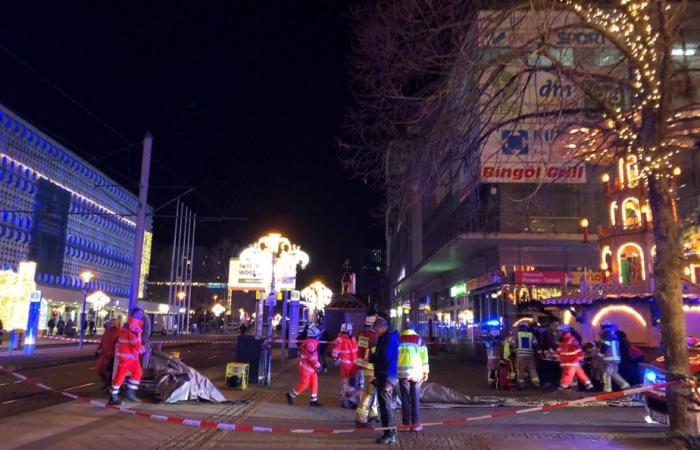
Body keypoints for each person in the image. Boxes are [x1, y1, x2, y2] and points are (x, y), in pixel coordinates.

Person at [371, 316, 399, 445]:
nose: (375, 333)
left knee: (385, 406)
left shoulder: (388, 339)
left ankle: (390, 434)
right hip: (384, 376)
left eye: (376, 330)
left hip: (387, 376)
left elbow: (388, 359)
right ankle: (389, 431)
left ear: (382, 328)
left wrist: (388, 380)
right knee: (384, 405)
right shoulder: (385, 338)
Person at [109, 308, 146, 405]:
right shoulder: (134, 327)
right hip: (128, 356)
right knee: (121, 375)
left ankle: (129, 394)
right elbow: (135, 342)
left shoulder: (128, 325)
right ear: (136, 315)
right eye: (141, 314)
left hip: (129, 356)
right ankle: (113, 396)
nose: (142, 316)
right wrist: (142, 350)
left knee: (137, 372)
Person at [398, 323, 429, 432]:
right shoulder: (419, 340)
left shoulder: (399, 339)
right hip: (416, 373)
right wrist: (426, 372)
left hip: (402, 374)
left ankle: (406, 424)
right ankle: (416, 424)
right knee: (415, 398)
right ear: (414, 329)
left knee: (405, 399)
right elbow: (424, 357)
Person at [286, 324, 323, 407]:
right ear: (315, 336)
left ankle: (313, 399)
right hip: (306, 368)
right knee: (304, 383)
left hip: (310, 368)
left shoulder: (311, 343)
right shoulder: (311, 344)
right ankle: (290, 395)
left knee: (314, 382)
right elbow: (312, 358)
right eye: (318, 335)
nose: (319, 337)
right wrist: (318, 366)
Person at [355, 314, 379, 428]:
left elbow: (361, 351)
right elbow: (376, 354)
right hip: (372, 367)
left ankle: (373, 414)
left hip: (365, 366)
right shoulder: (373, 337)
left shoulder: (363, 335)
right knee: (368, 393)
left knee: (371, 391)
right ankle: (361, 418)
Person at [555, 324, 593, 390]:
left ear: (564, 331)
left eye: (559, 331)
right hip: (569, 361)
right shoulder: (564, 340)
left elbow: (578, 350)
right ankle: (588, 384)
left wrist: (581, 358)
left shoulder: (571, 340)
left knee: (568, 374)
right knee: (579, 372)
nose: (558, 333)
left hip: (571, 361)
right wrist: (556, 355)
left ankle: (564, 385)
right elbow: (560, 349)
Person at [598, 322, 630, 393]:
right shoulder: (614, 334)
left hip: (609, 358)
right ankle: (626, 386)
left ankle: (607, 391)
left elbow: (605, 345)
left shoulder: (606, 334)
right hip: (615, 358)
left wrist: (600, 354)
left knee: (607, 374)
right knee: (614, 374)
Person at [332, 323, 358, 408]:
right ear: (347, 331)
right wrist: (335, 359)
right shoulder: (340, 340)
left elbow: (356, 350)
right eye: (350, 330)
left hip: (353, 365)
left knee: (350, 383)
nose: (351, 331)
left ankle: (349, 399)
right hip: (345, 365)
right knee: (345, 383)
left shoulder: (352, 339)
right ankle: (345, 401)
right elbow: (335, 351)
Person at [509, 322, 540, 388]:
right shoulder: (531, 335)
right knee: (532, 369)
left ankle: (521, 384)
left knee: (521, 370)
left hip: (520, 355)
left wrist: (514, 347)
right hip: (530, 354)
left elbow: (511, 342)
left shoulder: (517, 334)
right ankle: (536, 383)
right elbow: (535, 343)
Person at [95, 319, 120, 390]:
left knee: (109, 371)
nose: (111, 325)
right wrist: (98, 349)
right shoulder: (107, 332)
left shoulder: (119, 332)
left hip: (112, 355)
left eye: (113, 323)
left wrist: (112, 352)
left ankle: (107, 384)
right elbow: (102, 341)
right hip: (104, 354)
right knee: (99, 369)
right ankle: (105, 382)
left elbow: (117, 345)